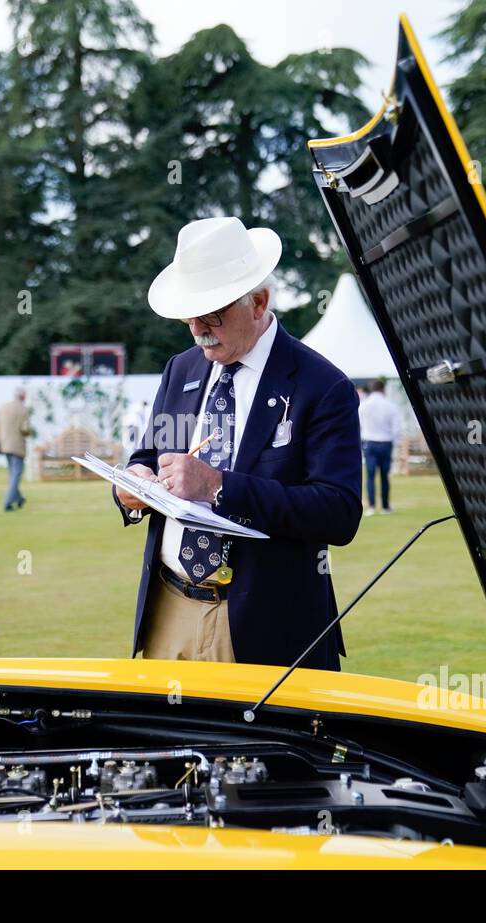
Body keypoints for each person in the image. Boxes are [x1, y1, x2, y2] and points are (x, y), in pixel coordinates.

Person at [113, 216, 361, 669]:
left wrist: (217, 487)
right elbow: (152, 455)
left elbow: (339, 512)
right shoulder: (182, 370)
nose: (196, 328)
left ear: (259, 301)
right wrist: (130, 488)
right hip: (169, 610)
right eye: (189, 315)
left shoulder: (322, 386)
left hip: (268, 623)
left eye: (212, 314)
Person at [359, 377, 399, 516]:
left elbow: (359, 425)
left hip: (369, 442)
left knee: (370, 476)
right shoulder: (390, 405)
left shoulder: (364, 405)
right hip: (385, 442)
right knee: (384, 476)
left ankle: (371, 506)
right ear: (383, 389)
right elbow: (396, 428)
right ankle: (385, 506)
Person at [0, 387, 32, 511]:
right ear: (24, 397)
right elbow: (25, 429)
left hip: (4, 445)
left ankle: (19, 498)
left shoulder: (3, 407)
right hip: (17, 446)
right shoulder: (23, 409)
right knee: (16, 475)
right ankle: (8, 502)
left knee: (12, 474)